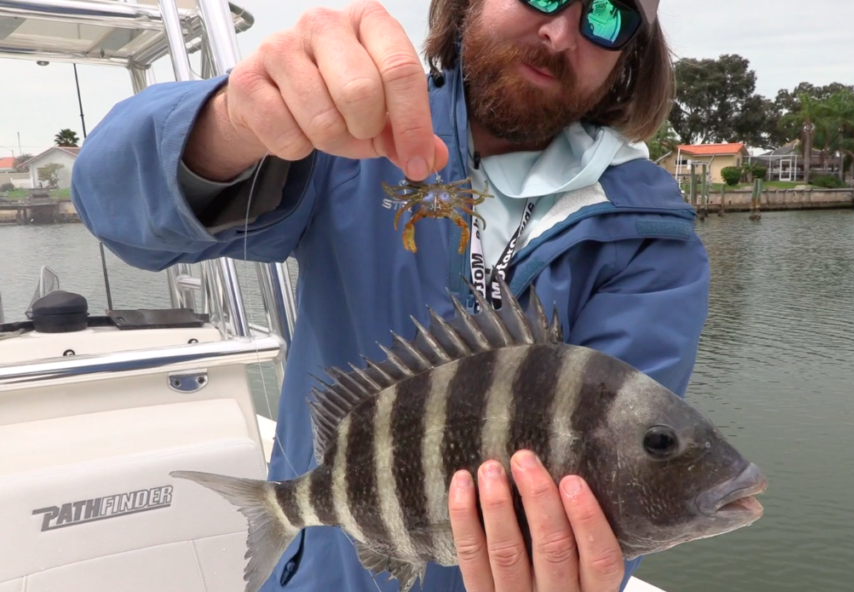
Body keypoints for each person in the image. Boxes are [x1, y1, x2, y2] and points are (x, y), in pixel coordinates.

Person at [70, 0, 710, 590]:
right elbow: (112, 204)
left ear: (633, 55)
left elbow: (629, 483)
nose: (561, 32)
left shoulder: (655, 243)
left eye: (609, 16)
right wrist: (235, 122)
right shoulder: (349, 137)